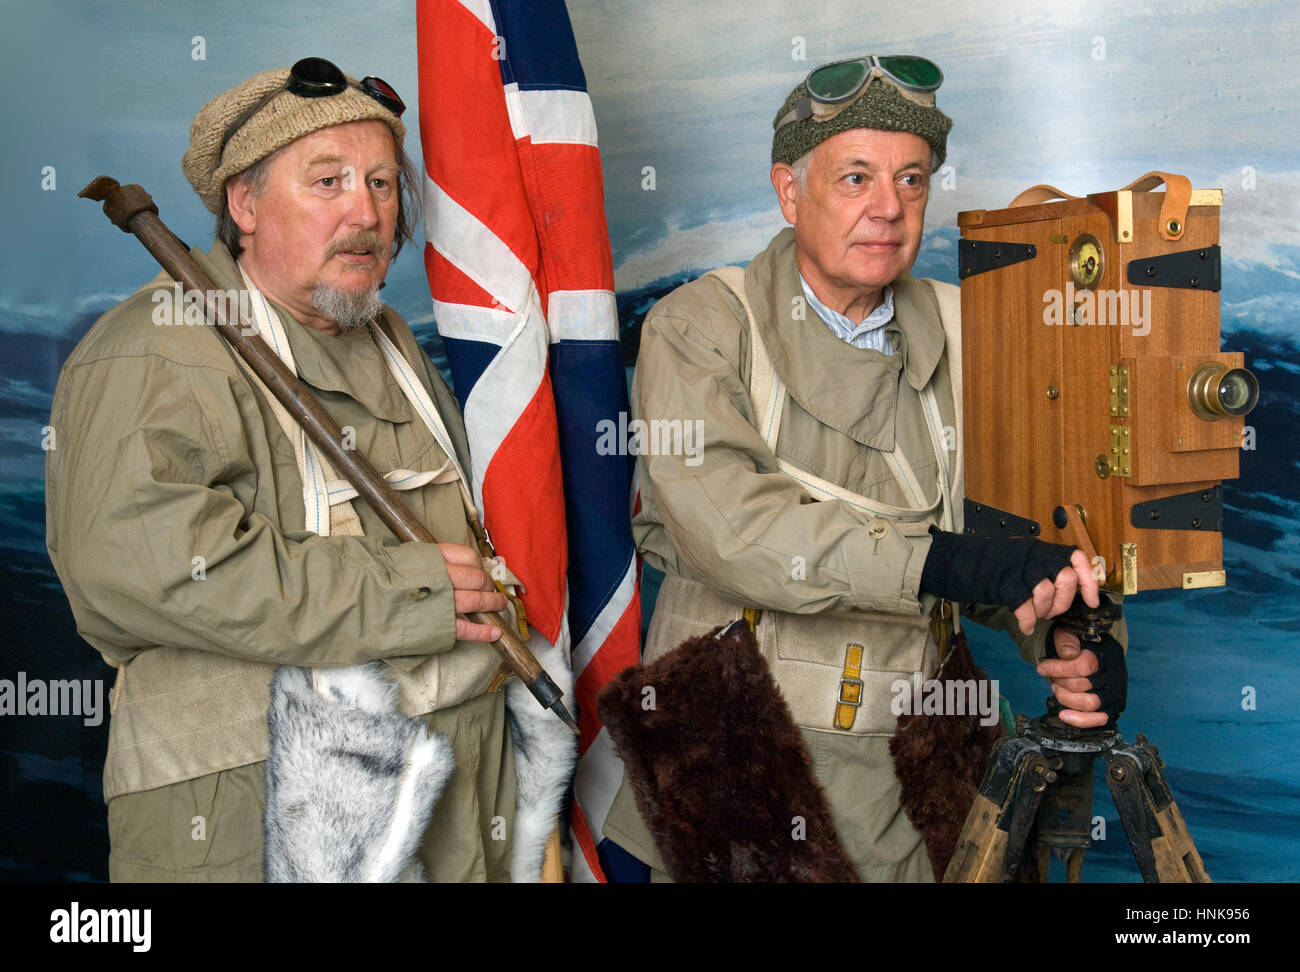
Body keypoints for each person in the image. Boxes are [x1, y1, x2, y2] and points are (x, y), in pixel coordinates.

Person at [602, 54, 1128, 881]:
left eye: (912, 180)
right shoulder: (699, 326)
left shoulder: (973, 330)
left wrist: (1062, 628)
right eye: (855, 178)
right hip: (735, 766)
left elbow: (1021, 530)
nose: (887, 208)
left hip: (927, 771)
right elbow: (736, 530)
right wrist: (952, 560)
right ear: (788, 191)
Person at [45, 58, 532, 881]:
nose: (367, 212)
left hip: (444, 799)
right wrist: (402, 592)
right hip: (253, 820)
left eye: (381, 183)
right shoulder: (154, 348)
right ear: (244, 203)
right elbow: (137, 569)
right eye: (328, 181)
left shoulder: (389, 342)